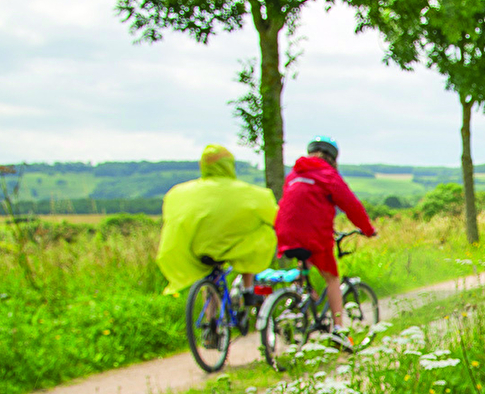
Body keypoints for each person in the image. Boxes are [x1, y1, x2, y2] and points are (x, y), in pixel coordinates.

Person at [274, 137, 377, 344]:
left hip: (285, 233)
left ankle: (296, 305)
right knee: (332, 278)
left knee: (303, 266)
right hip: (314, 235)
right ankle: (339, 330)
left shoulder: (294, 174)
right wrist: (367, 229)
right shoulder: (328, 175)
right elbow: (351, 205)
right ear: (332, 158)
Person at [155, 144, 276, 303]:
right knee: (264, 232)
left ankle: (210, 321)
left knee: (210, 279)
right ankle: (247, 290)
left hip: (198, 249)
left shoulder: (179, 192)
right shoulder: (253, 194)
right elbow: (275, 218)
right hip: (235, 248)